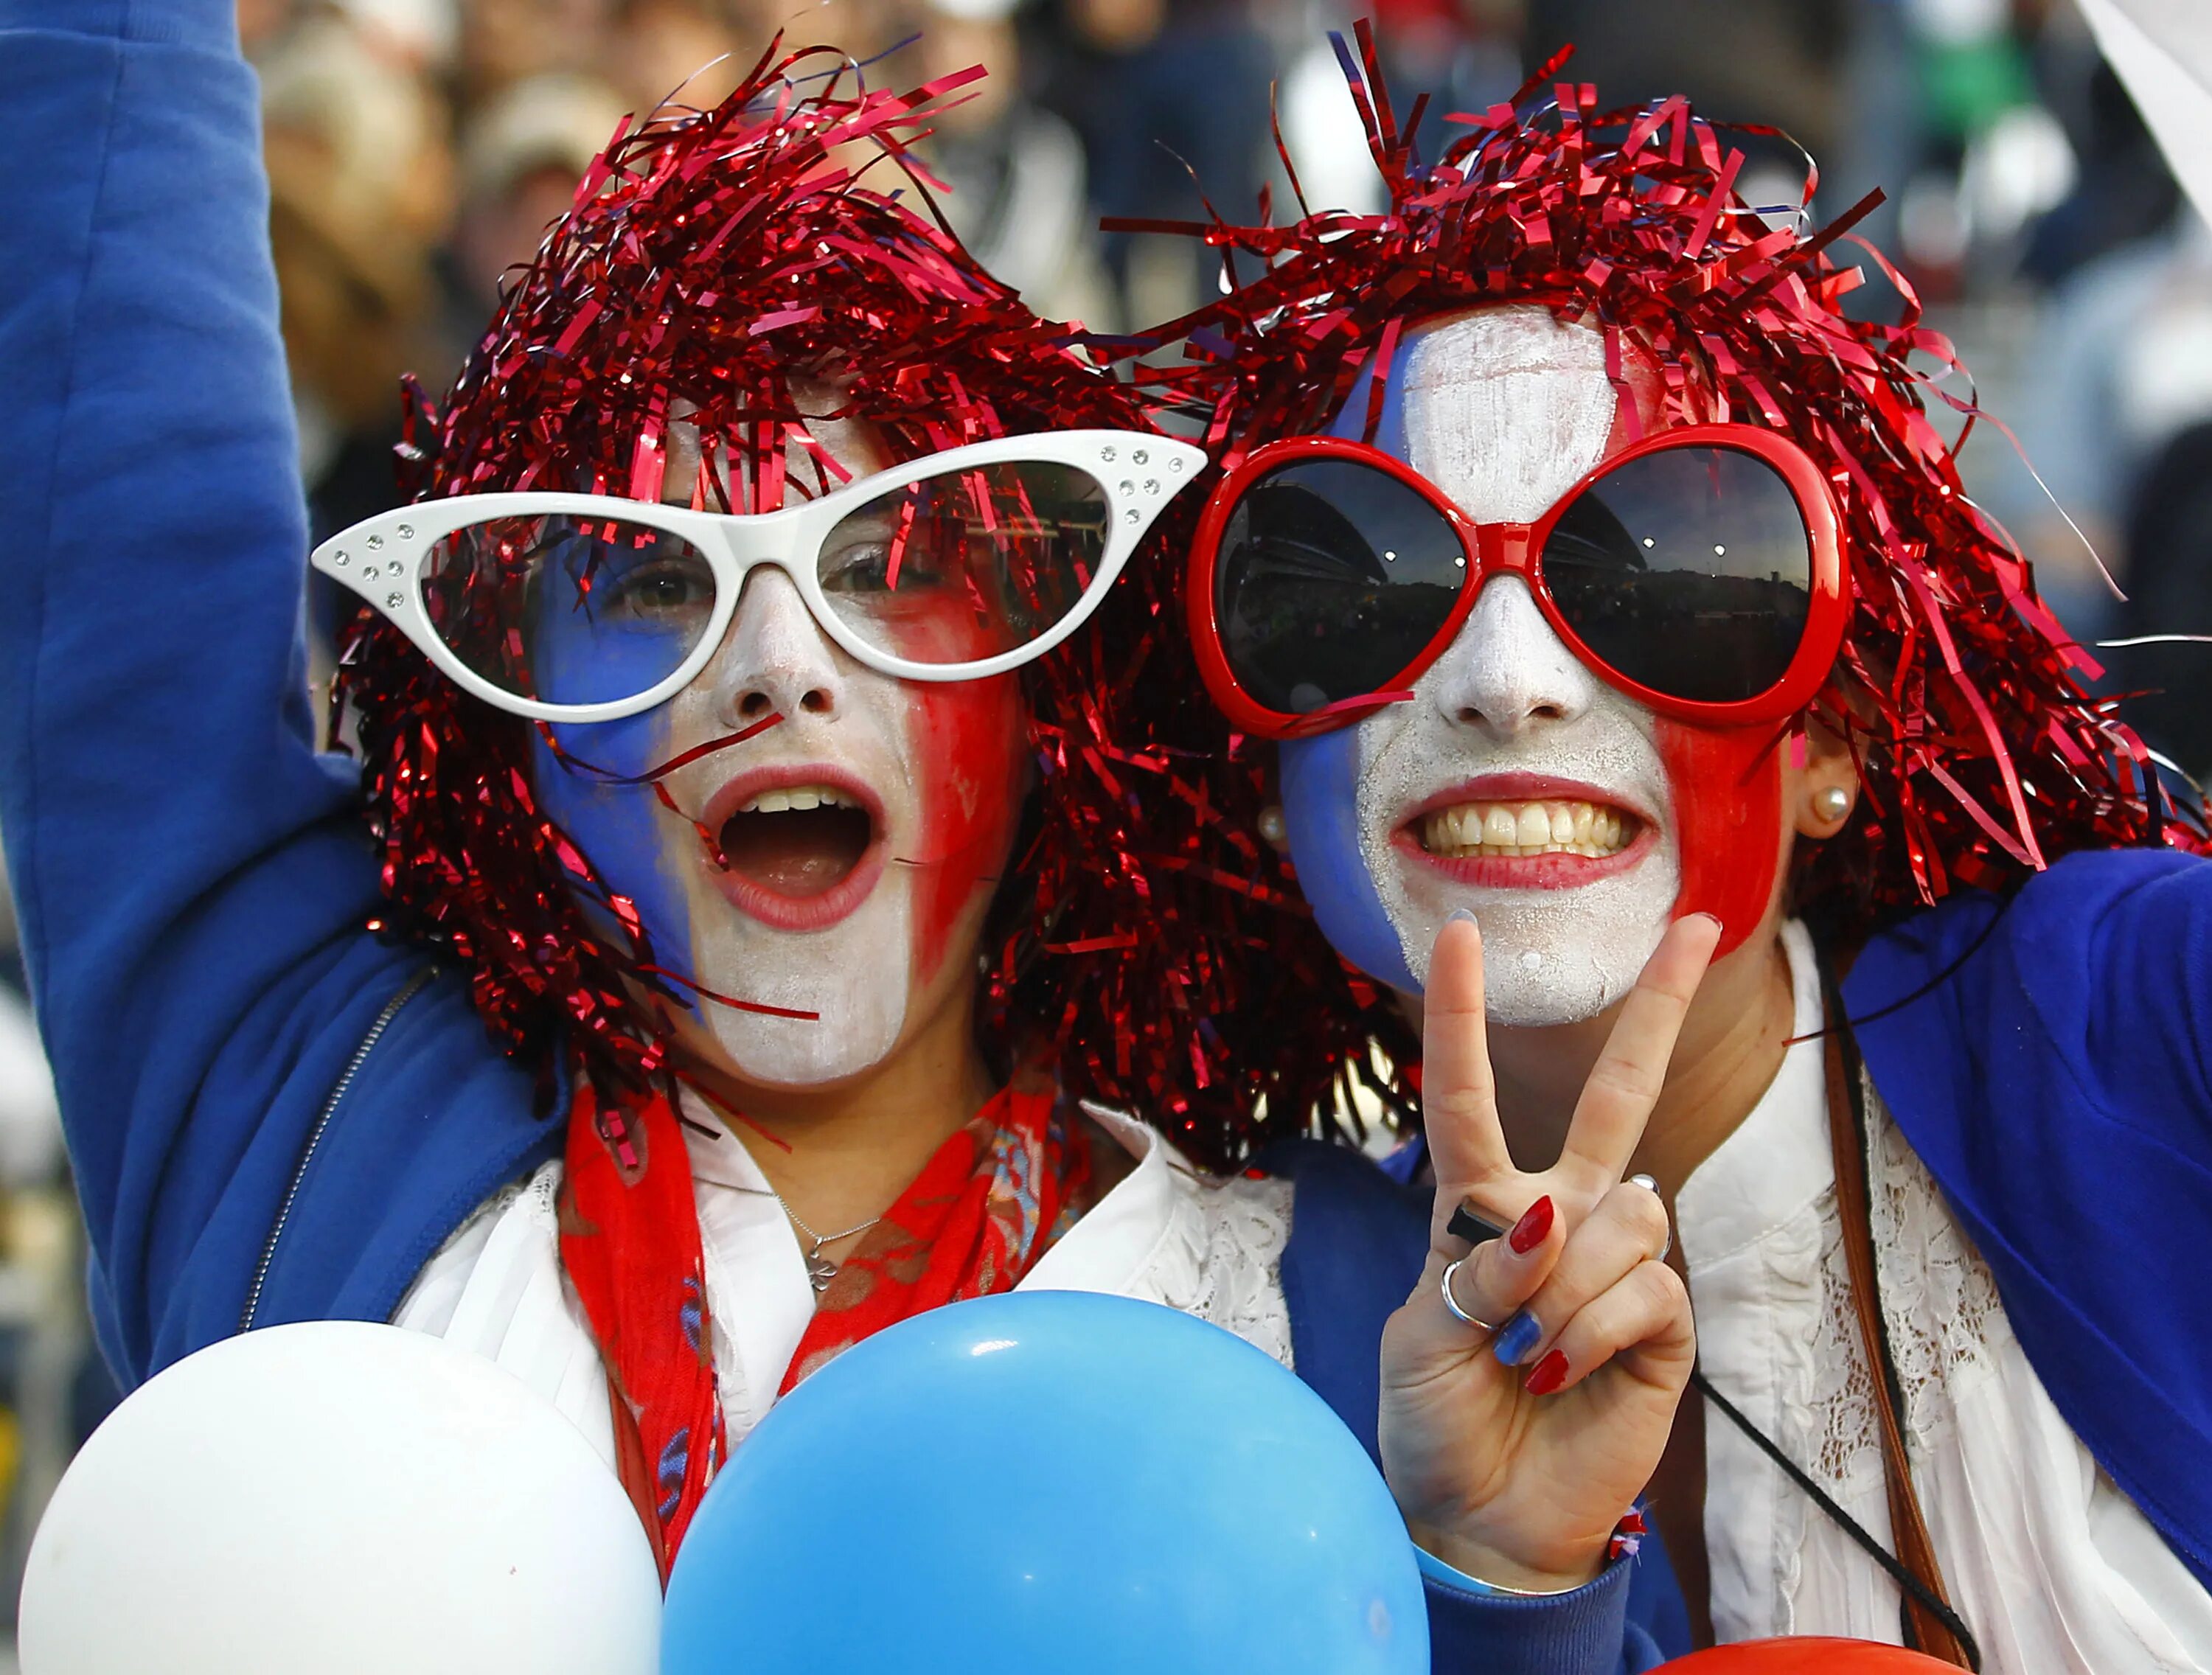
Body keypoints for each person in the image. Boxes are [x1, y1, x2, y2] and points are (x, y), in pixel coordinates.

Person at [3, 6, 1706, 1668]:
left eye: (893, 562)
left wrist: (1497, 1581)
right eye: (652, 581)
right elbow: (114, 420)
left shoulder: (1349, 1300)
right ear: (512, 715)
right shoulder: (297, 1096)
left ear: (1053, 694)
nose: (777, 667)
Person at [1139, 37, 2212, 1673]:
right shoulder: (1236, 1314)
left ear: (1838, 749)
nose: (1508, 680)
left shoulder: (2126, 1015)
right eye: (1359, 584)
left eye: (1677, 578)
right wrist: (1494, 1583)